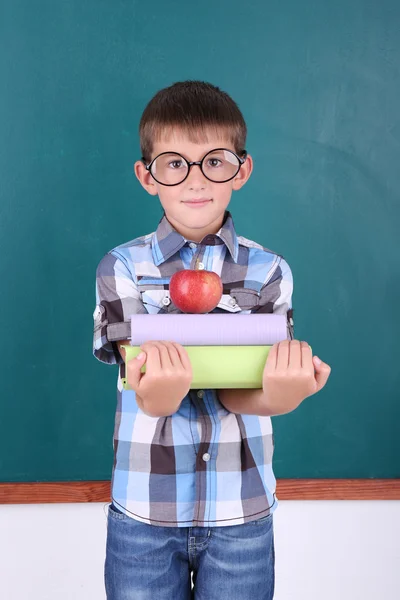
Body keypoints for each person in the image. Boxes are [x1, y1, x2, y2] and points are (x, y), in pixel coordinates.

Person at [93, 80, 331, 600]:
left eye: (215, 161)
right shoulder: (123, 267)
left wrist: (284, 394)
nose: (195, 179)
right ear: (147, 176)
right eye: (174, 163)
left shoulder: (270, 271)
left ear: (241, 171)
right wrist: (161, 389)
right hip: (145, 514)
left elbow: (242, 393)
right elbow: (145, 391)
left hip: (241, 509)